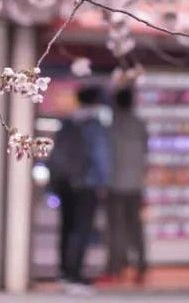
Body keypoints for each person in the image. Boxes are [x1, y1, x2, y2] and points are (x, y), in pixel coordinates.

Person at [48, 84, 111, 292]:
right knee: (81, 229)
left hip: (65, 183)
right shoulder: (94, 124)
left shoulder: (67, 122)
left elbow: (54, 154)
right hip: (86, 184)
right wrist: (102, 182)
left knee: (66, 227)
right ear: (96, 101)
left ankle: (64, 273)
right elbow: (100, 156)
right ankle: (75, 276)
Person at [106, 87, 148, 284]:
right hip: (136, 184)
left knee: (116, 228)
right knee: (136, 228)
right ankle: (141, 266)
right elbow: (145, 152)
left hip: (114, 184)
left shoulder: (112, 125)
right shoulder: (140, 125)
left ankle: (116, 267)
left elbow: (106, 155)